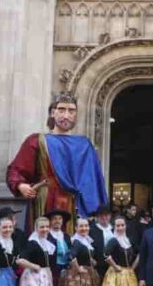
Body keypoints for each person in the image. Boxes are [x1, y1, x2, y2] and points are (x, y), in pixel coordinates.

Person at [6, 92, 108, 230]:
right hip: (45, 200)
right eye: (61, 110)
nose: (66, 115)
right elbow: (17, 169)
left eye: (71, 111)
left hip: (75, 203)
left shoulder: (84, 145)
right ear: (52, 113)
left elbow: (93, 181)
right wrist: (20, 185)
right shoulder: (37, 141)